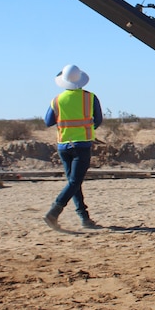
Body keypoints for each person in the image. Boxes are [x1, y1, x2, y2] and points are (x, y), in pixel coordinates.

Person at [43, 64, 104, 231]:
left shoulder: (56, 100)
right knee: (75, 181)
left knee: (73, 182)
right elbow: (98, 120)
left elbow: (48, 121)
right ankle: (54, 212)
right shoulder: (90, 98)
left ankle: (84, 218)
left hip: (63, 145)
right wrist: (87, 129)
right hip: (82, 145)